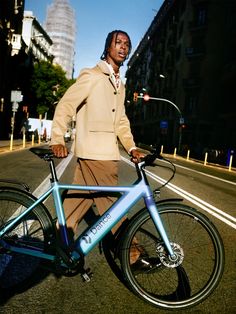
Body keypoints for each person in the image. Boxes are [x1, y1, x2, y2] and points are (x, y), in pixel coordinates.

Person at [50, 30, 144, 262]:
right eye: (118, 42)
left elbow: (121, 121)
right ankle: (132, 254)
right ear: (108, 47)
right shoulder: (92, 76)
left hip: (102, 153)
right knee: (113, 209)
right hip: (97, 155)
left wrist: (131, 147)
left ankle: (55, 242)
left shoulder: (119, 84)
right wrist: (57, 139)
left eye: (127, 44)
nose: (123, 47)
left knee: (75, 203)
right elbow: (66, 104)